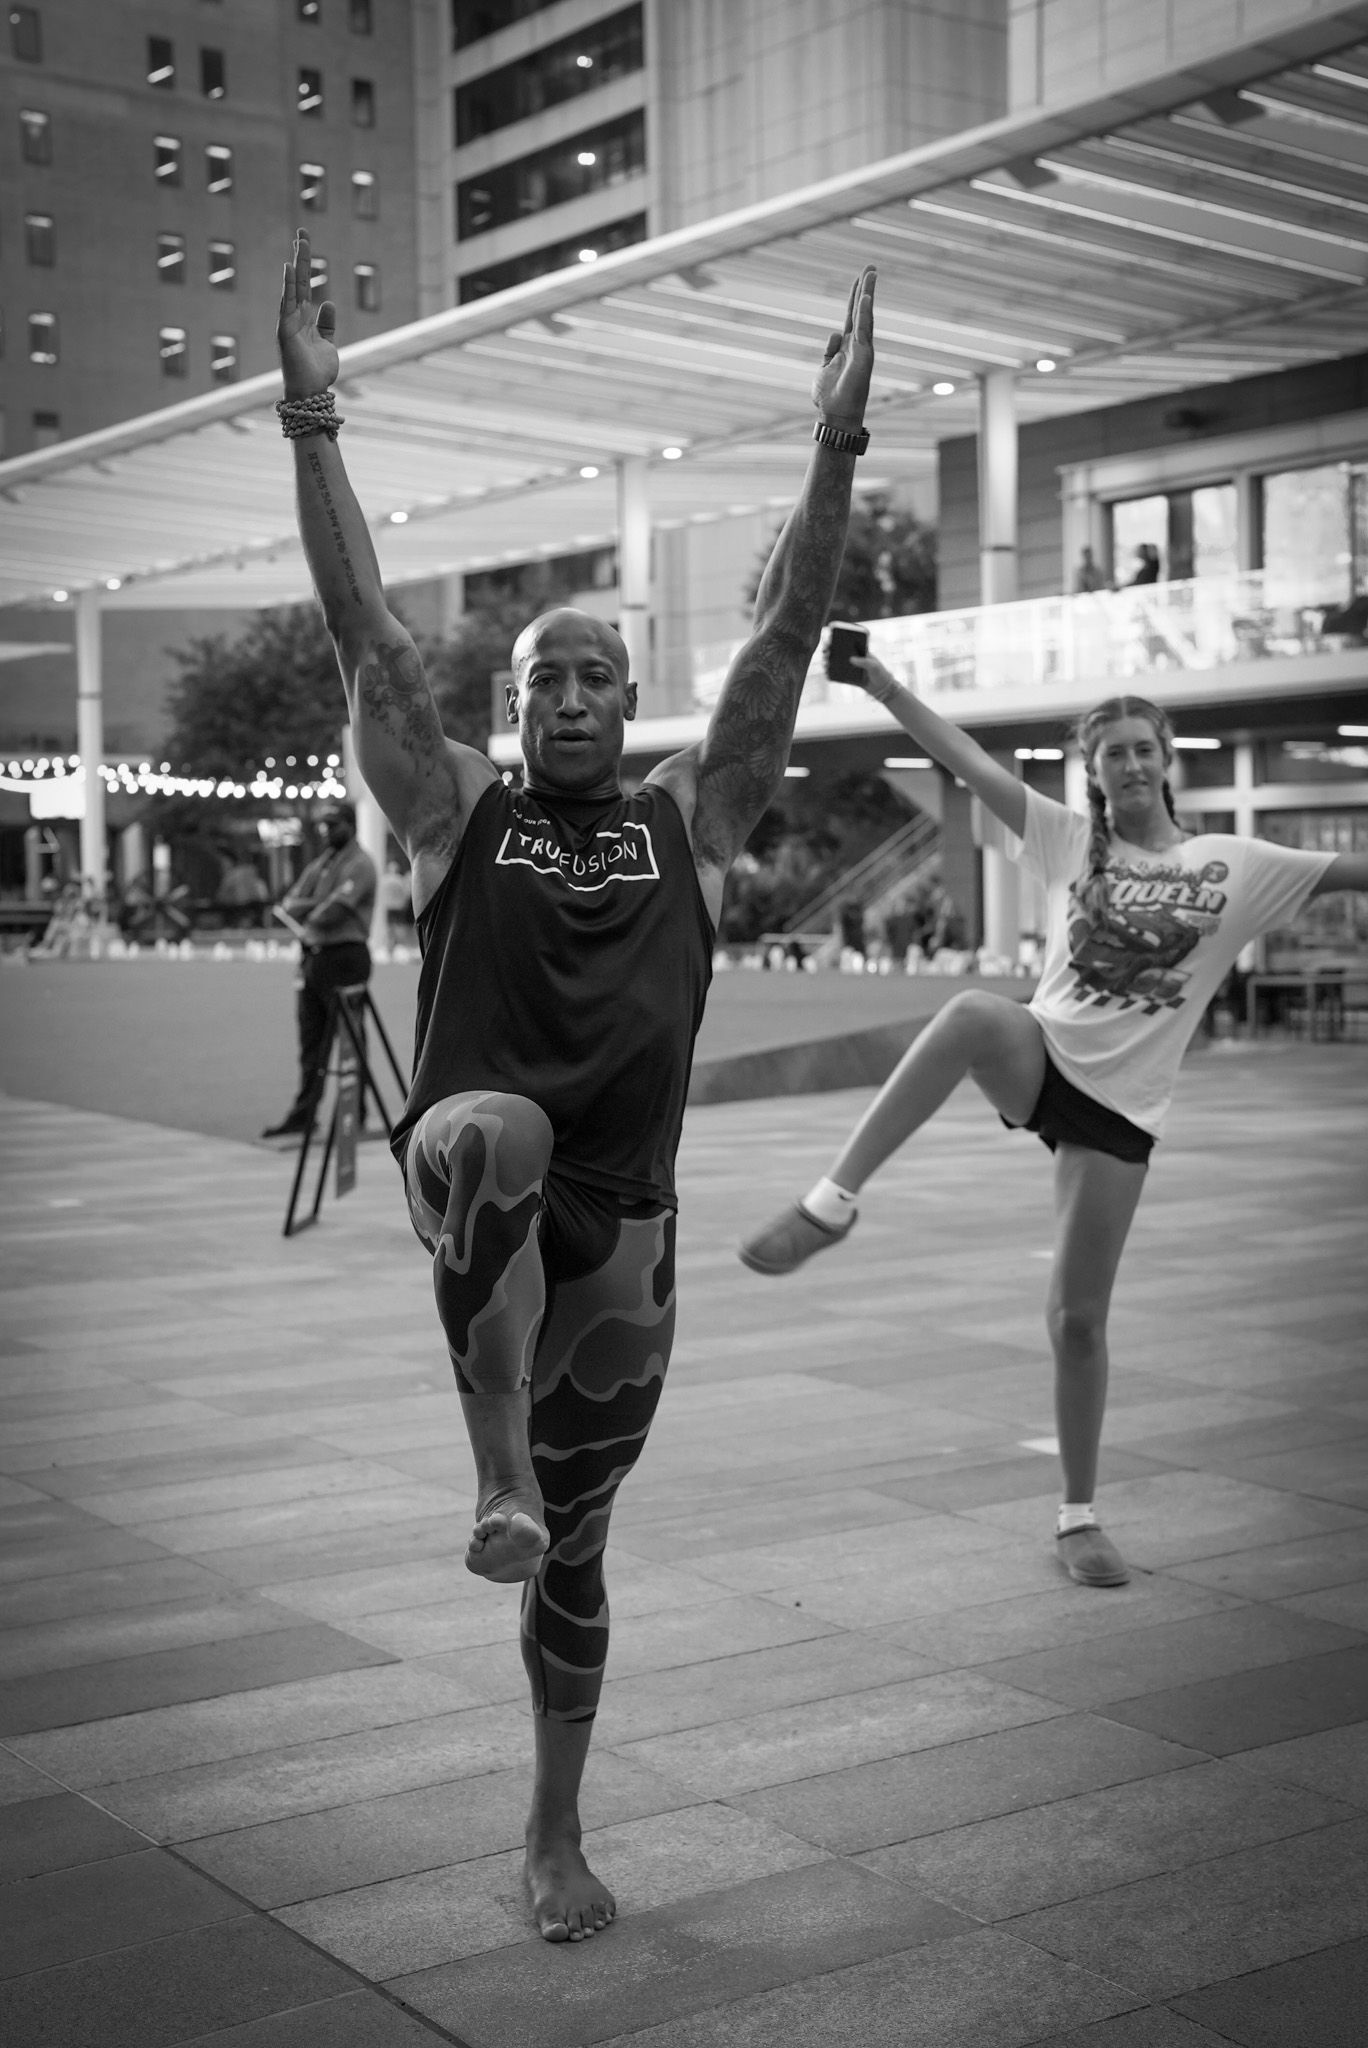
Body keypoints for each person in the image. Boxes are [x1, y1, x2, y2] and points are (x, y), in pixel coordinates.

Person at [275, 228, 877, 1942]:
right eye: (539, 675)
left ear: (628, 697)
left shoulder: (688, 821)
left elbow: (778, 642)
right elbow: (367, 632)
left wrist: (832, 443)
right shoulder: (457, 805)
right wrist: (315, 423)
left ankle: (552, 1824)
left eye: (593, 673)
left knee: (585, 1553)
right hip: (480, 1176)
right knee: (487, 1124)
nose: (564, 695)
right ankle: (493, 1472)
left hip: (634, 1248)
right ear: (509, 701)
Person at [739, 655, 1368, 1589]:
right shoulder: (1069, 842)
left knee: (1077, 1322)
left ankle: (1077, 1516)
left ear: (1167, 761)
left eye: (1144, 749)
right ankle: (830, 1203)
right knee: (967, 1015)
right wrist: (881, 687)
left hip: (1122, 1106)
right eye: (1111, 752)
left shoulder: (1237, 866)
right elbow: (965, 763)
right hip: (1044, 1054)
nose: (1130, 765)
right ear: (1093, 769)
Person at [261, 800, 377, 1139]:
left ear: (350, 825)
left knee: (351, 1041)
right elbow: (290, 903)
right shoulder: (322, 863)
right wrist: (309, 907)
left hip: (345, 957)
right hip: (313, 957)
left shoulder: (361, 864)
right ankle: (304, 1115)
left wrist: (306, 909)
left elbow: (336, 910)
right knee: (311, 1041)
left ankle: (356, 1116)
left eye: (334, 824)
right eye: (324, 825)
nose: (327, 831)